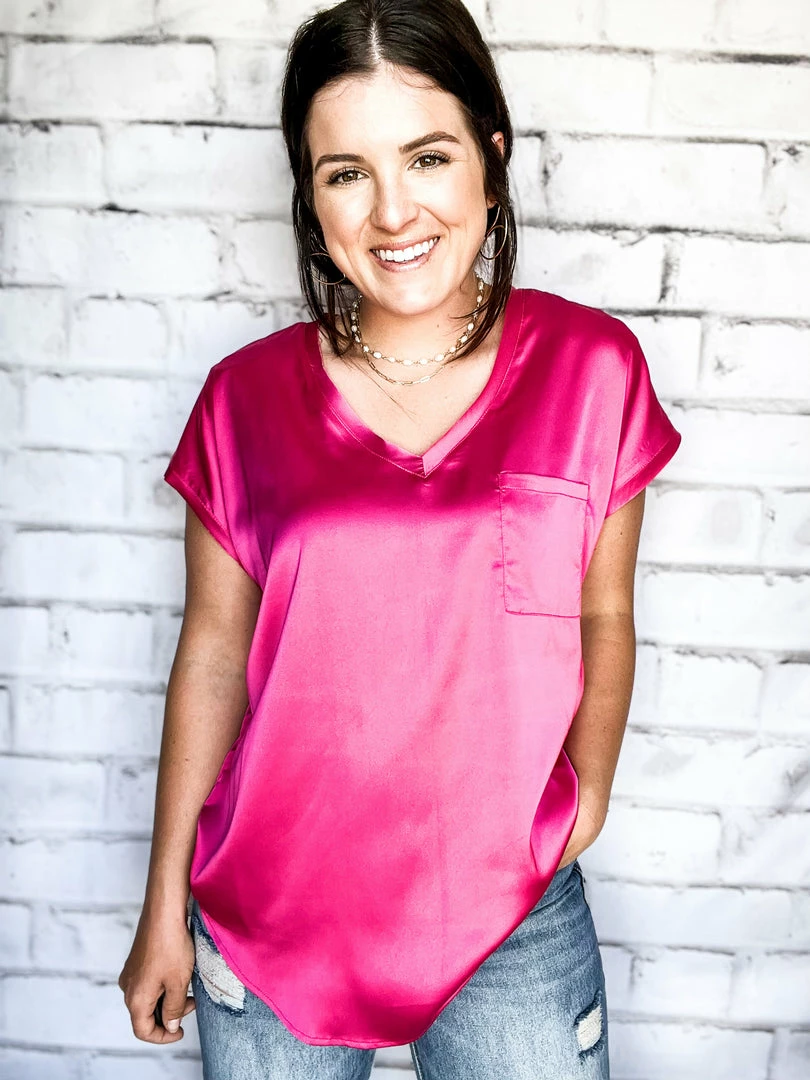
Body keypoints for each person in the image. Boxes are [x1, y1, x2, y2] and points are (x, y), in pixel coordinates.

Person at [118, 1, 682, 1077]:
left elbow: (604, 610)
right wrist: (162, 909)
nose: (391, 210)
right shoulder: (242, 400)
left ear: (491, 160)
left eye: (427, 157)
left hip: (513, 912)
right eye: (346, 173)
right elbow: (212, 657)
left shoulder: (592, 369)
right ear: (310, 197)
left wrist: (586, 795)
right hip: (271, 914)